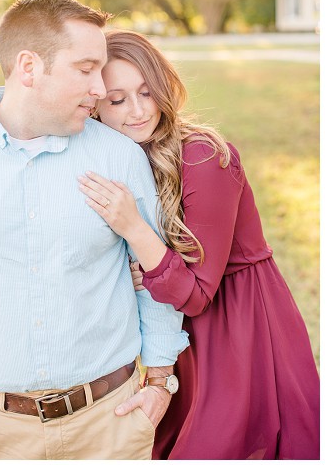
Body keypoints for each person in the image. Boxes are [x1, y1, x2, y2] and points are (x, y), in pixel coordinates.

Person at [0, 0, 189, 460]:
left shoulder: (119, 156)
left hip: (113, 422)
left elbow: (153, 274)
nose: (99, 87)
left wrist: (159, 383)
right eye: (85, 68)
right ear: (29, 67)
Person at [78, 29, 320, 459]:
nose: (137, 112)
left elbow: (196, 295)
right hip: (169, 339)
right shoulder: (117, 162)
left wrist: (136, 230)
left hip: (236, 331)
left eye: (147, 93)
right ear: (95, 105)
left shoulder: (204, 157)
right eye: (117, 100)